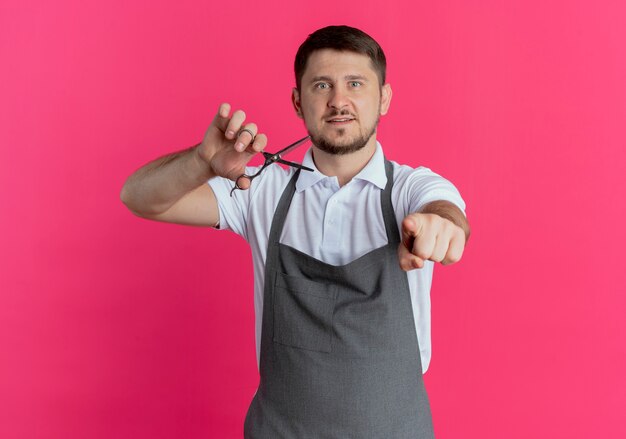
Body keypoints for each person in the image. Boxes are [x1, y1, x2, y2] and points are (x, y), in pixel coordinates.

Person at [121, 25, 470, 439]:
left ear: (384, 99)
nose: (339, 100)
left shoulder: (412, 190)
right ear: (297, 101)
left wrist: (439, 226)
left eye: (355, 83)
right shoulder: (258, 190)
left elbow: (446, 212)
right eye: (322, 85)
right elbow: (138, 197)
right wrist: (201, 160)